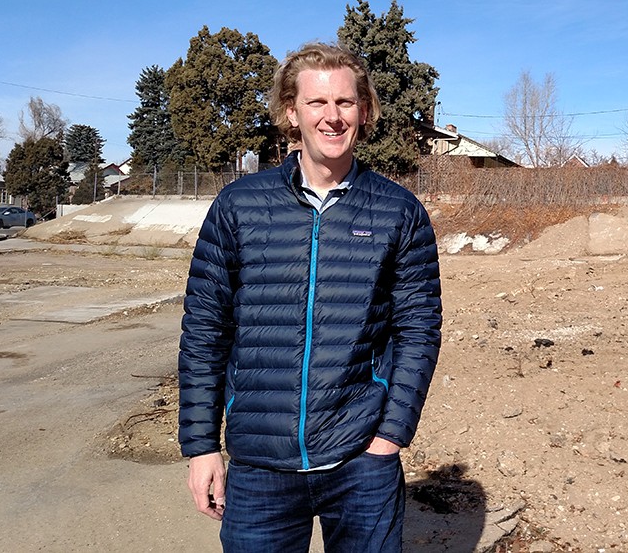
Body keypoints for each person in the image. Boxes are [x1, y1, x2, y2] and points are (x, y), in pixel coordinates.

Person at [178, 42, 443, 552]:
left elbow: (418, 330)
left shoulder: (397, 211)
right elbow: (205, 331)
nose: (332, 117)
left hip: (361, 462)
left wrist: (389, 437)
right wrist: (201, 446)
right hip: (260, 466)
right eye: (317, 103)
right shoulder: (239, 205)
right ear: (291, 112)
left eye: (345, 102)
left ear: (363, 112)